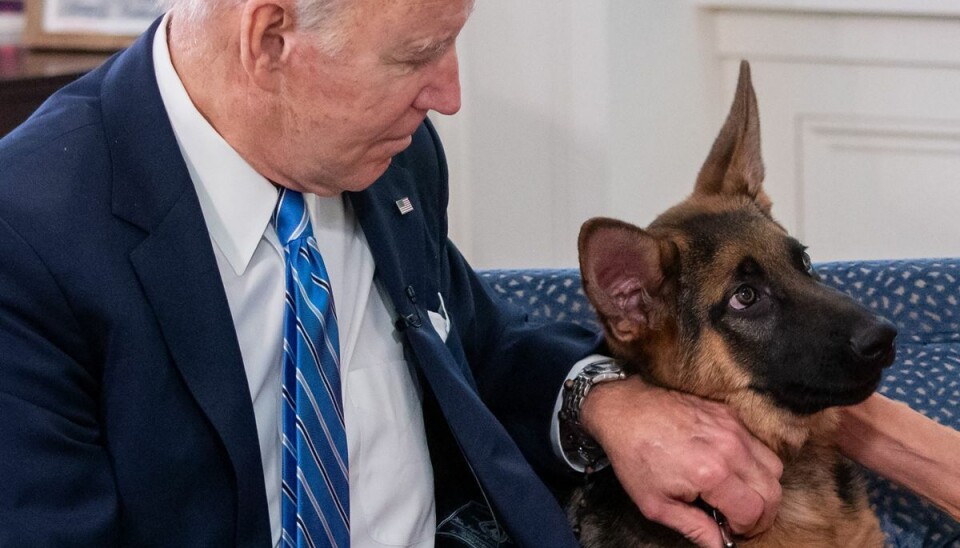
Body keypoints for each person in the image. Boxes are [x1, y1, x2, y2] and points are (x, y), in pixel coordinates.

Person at [0, 1, 955, 547]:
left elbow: (479, 343)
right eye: (419, 55)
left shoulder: (389, 157)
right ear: (270, 38)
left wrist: (607, 402)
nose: (450, 94)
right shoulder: (32, 236)